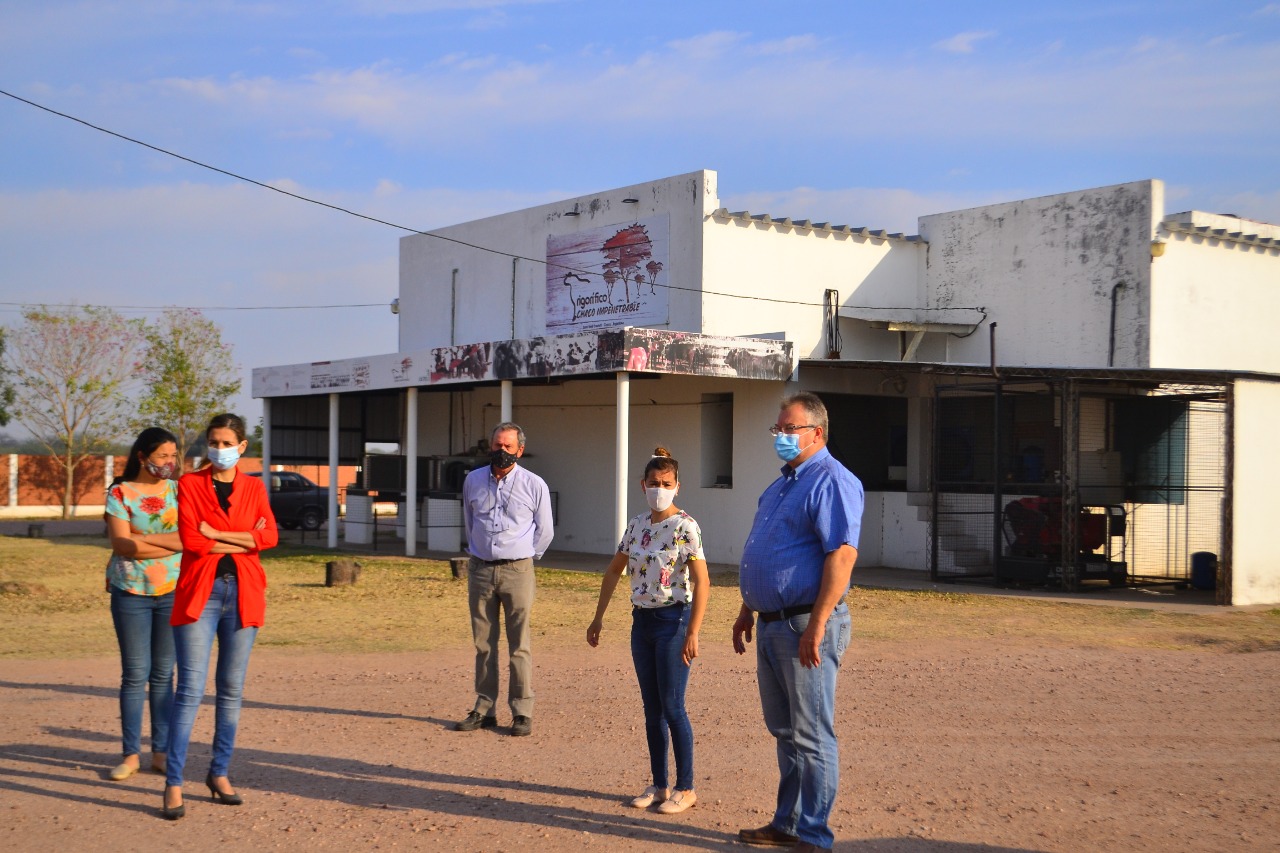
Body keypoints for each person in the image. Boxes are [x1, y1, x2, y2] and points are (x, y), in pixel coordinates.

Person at [732, 392, 863, 853]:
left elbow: (842, 555)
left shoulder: (832, 480)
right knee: (785, 733)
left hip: (804, 625)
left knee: (811, 735)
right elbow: (769, 550)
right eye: (778, 429)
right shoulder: (780, 486)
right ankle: (787, 824)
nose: (782, 437)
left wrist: (818, 624)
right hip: (772, 624)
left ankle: (814, 835)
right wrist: (748, 607)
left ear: (817, 433)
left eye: (790, 429)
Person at [161, 413, 278, 820]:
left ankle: (219, 772)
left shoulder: (254, 486)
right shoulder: (190, 484)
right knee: (190, 690)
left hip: (244, 592)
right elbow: (193, 541)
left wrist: (218, 534)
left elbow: (271, 537)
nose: (220, 449)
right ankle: (174, 782)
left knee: (231, 689)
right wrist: (244, 539)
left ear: (242, 446)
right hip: (201, 592)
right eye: (214, 442)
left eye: (228, 443)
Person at [586, 447, 709, 815]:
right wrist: (598, 617)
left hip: (673, 622)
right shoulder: (637, 525)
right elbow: (614, 569)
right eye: (654, 483)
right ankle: (659, 784)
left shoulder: (686, 526)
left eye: (667, 484)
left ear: (677, 486)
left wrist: (693, 631)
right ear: (643, 485)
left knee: (673, 706)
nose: (660, 489)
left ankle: (686, 787)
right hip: (642, 622)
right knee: (651, 708)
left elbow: (702, 581)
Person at [456, 422, 554, 738]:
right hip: (480, 570)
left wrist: (524, 555)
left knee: (518, 644)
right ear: (491, 446)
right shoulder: (473, 481)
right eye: (497, 445)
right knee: (483, 644)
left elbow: (545, 531)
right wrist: (481, 551)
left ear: (519, 450)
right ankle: (484, 709)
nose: (502, 451)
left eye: (508, 446)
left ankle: (522, 711)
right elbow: (470, 522)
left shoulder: (534, 484)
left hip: (517, 571)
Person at [103, 427, 182, 782]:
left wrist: (142, 540)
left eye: (173, 456)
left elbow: (189, 539)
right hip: (130, 592)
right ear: (142, 456)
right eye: (163, 455)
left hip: (173, 592)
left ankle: (161, 753)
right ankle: (131, 754)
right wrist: (168, 543)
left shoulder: (178, 491)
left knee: (164, 675)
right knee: (135, 675)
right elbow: (122, 545)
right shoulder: (119, 493)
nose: (169, 462)